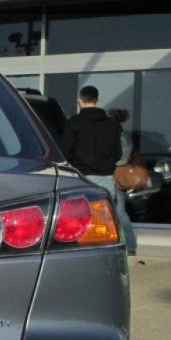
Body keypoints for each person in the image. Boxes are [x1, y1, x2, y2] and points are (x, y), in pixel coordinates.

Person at [60, 86, 135, 255]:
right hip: (106, 175)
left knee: (82, 214)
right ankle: (115, 247)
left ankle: (84, 247)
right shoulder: (112, 125)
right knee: (107, 215)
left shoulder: (74, 123)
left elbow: (64, 150)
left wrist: (74, 163)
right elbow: (118, 152)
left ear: (80, 99)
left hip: (82, 175)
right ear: (97, 99)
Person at [106, 108, 139, 255]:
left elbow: (123, 159)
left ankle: (130, 246)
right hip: (112, 177)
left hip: (116, 178)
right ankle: (126, 245)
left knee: (119, 212)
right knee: (116, 212)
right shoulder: (118, 135)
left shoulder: (121, 137)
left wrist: (106, 161)